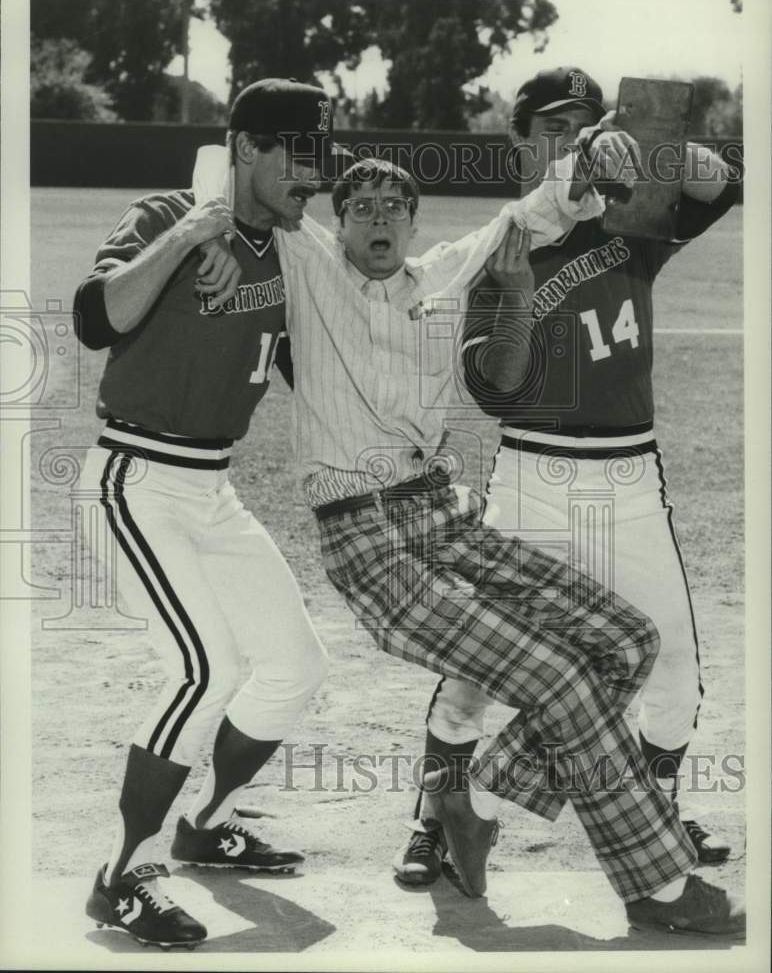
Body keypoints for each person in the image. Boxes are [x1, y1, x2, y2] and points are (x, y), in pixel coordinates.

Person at [190, 135, 743, 934]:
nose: (378, 220)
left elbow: (531, 212)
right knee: (559, 678)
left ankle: (469, 800)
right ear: (336, 223)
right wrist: (208, 229)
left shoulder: (447, 272)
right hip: (367, 542)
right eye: (361, 209)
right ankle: (658, 887)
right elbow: (222, 170)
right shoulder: (304, 265)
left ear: (414, 223)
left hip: (440, 515)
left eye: (393, 208)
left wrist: (587, 160)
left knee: (626, 640)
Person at [398, 67, 740, 888]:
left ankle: (651, 817)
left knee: (675, 670)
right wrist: (515, 296)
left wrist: (662, 150)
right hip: (531, 481)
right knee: (477, 668)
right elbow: (494, 387)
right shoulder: (499, 245)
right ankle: (434, 821)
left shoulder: (635, 219)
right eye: (554, 126)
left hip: (629, 479)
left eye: (584, 125)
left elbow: (724, 185)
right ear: (521, 140)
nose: (572, 140)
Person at [72, 78, 338, 950]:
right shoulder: (169, 214)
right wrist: (190, 235)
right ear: (248, 150)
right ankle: (123, 877)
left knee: (294, 663)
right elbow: (96, 317)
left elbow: (318, 378)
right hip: (135, 479)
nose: (315, 174)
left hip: (212, 491)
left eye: (321, 155)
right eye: (299, 154)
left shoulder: (295, 252)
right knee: (202, 669)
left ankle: (206, 824)